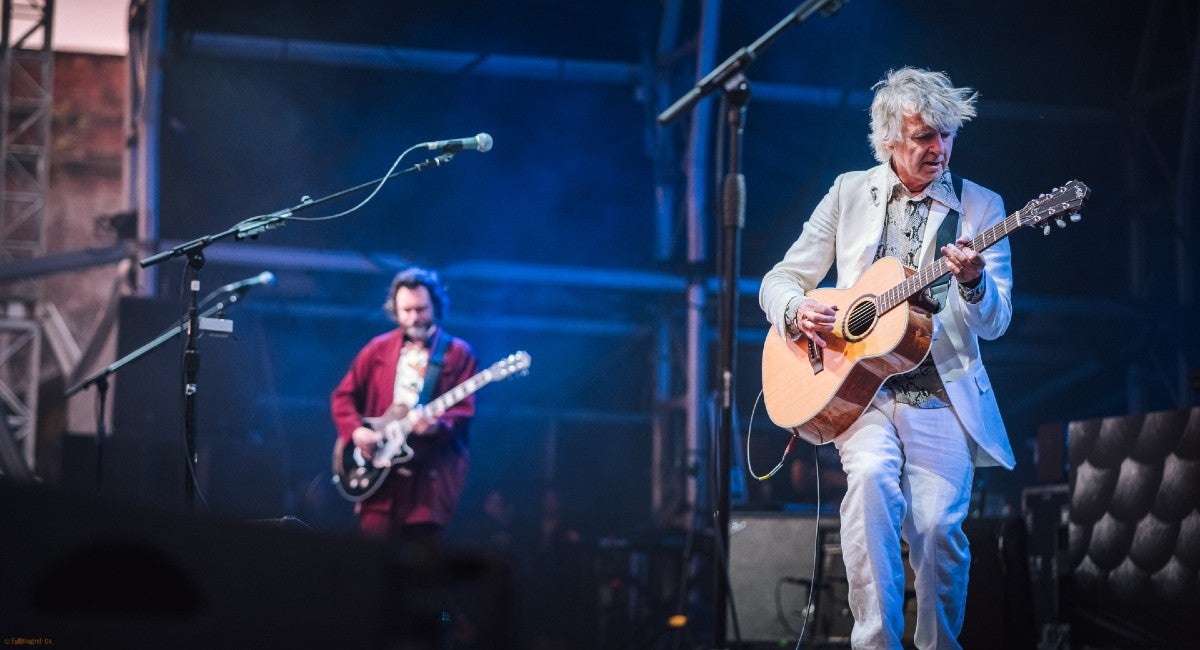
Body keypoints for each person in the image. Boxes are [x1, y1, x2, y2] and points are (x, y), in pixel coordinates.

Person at [758, 67, 1016, 649]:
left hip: (941, 389)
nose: (938, 148)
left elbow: (995, 323)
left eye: (947, 135)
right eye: (924, 136)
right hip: (859, 389)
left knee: (938, 528)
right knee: (872, 482)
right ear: (890, 141)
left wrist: (973, 282)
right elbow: (779, 279)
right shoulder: (850, 192)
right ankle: (874, 643)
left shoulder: (981, 207)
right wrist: (796, 311)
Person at [331, 266, 478, 545]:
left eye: (420, 309)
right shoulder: (377, 349)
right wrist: (355, 431)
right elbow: (343, 396)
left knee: (419, 565)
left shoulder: (458, 353)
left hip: (427, 488)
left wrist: (437, 426)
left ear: (435, 306)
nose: (413, 317)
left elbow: (464, 410)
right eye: (406, 310)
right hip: (379, 488)